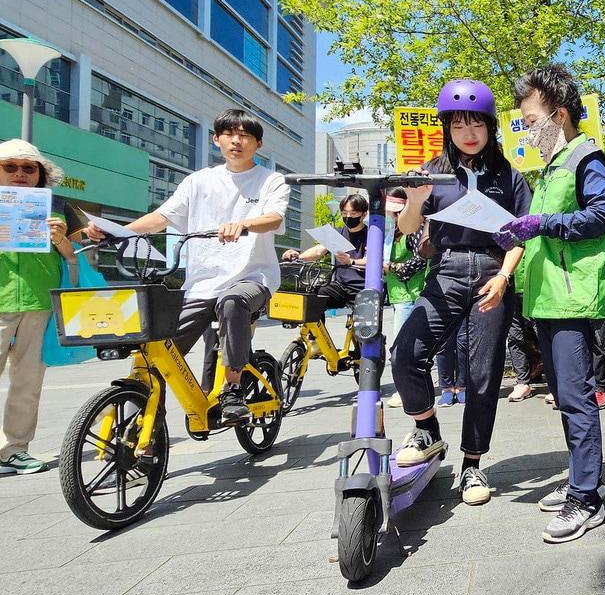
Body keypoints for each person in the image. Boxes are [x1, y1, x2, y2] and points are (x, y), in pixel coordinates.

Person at [87, 109, 289, 422]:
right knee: (160, 351)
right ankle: (144, 429)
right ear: (216, 140)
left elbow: (275, 218)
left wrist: (244, 224)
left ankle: (233, 387)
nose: (237, 140)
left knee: (233, 302)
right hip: (201, 284)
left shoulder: (270, 180)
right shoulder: (198, 181)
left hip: (253, 277)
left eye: (245, 135)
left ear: (257, 144)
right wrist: (118, 232)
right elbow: (161, 217)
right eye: (229, 134)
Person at [495, 64, 605, 543]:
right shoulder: (552, 165)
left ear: (560, 115)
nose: (525, 128)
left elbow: (602, 216)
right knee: (567, 401)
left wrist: (541, 224)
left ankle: (585, 497)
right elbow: (545, 225)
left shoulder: (587, 158)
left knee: (576, 399)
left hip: (575, 299)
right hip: (549, 298)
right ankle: (582, 481)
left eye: (530, 119)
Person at [391, 79, 532, 506]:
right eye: (458, 126)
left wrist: (504, 276)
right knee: (405, 353)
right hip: (447, 271)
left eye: (476, 124)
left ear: (490, 127)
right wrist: (416, 200)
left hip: (493, 271)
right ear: (447, 129)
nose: (468, 133)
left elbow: (520, 235)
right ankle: (428, 430)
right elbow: (408, 228)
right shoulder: (432, 171)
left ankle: (473, 464)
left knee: (483, 374)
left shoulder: (509, 176)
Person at [0, 140, 77, 474]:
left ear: (40, 175)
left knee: (28, 381)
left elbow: (73, 263)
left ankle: (15, 448)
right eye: (10, 167)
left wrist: (61, 239)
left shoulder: (55, 212)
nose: (20, 174)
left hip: (37, 304)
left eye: (29, 168)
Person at [283, 194, 369, 314]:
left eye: (353, 214)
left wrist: (351, 262)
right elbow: (318, 250)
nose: (348, 217)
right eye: (344, 213)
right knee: (313, 299)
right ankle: (314, 332)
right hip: (339, 286)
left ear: (364, 214)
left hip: (362, 288)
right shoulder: (337, 233)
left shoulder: (371, 234)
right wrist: (298, 256)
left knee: (363, 327)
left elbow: (370, 260)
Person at [382, 188, 428, 408]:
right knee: (402, 345)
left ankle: (405, 391)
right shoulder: (394, 232)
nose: (393, 216)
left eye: (396, 212)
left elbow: (419, 261)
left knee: (401, 348)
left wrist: (391, 266)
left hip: (411, 293)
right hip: (398, 294)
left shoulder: (414, 228)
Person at [505, 285, 544, 402]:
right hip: (510, 287)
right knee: (514, 336)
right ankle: (522, 383)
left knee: (542, 334)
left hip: (535, 287)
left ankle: (555, 385)